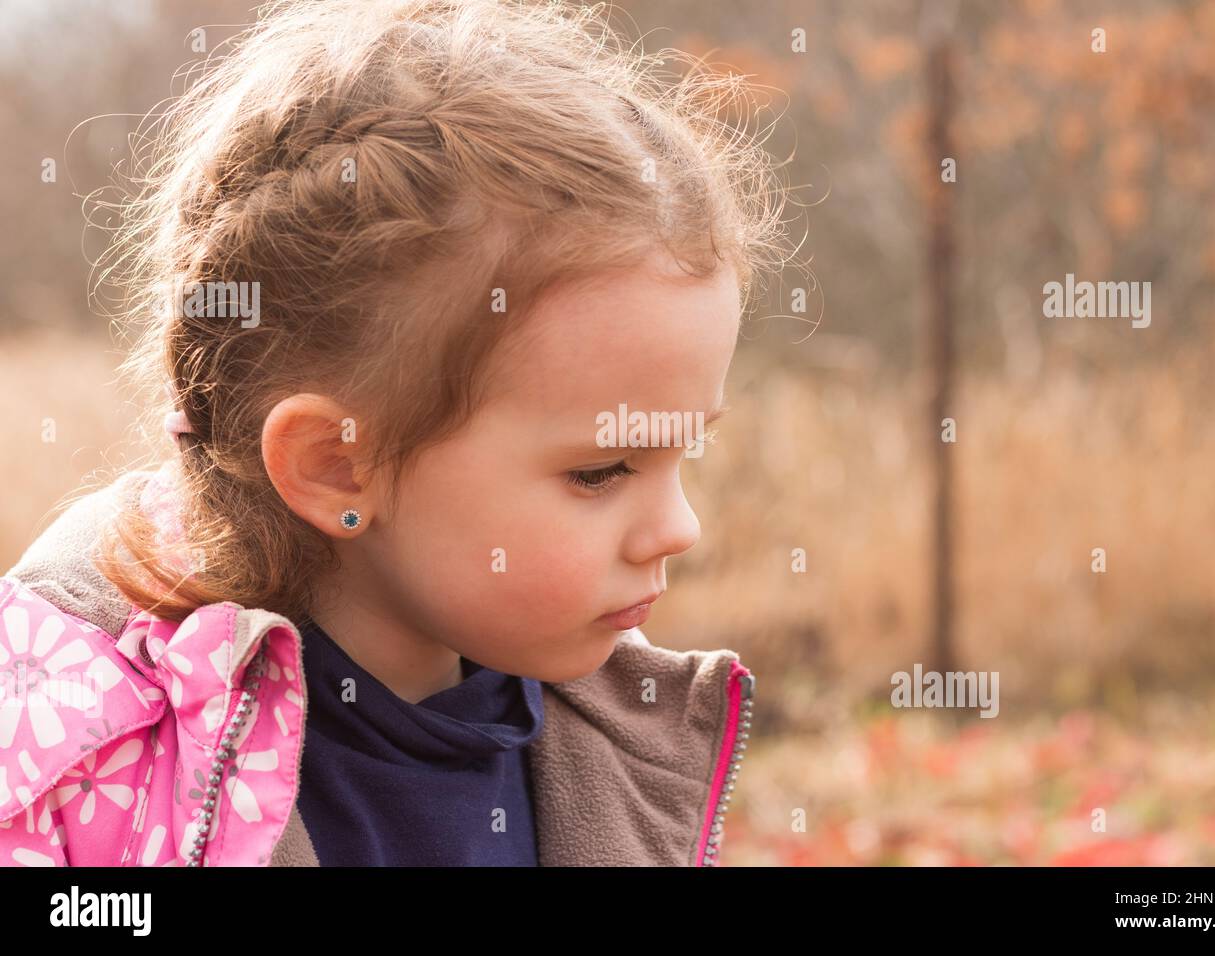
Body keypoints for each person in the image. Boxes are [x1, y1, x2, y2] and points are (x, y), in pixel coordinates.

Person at [0, 0, 794, 866]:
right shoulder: (81, 769)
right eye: (602, 471)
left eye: (686, 449)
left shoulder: (614, 743)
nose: (682, 528)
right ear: (338, 465)